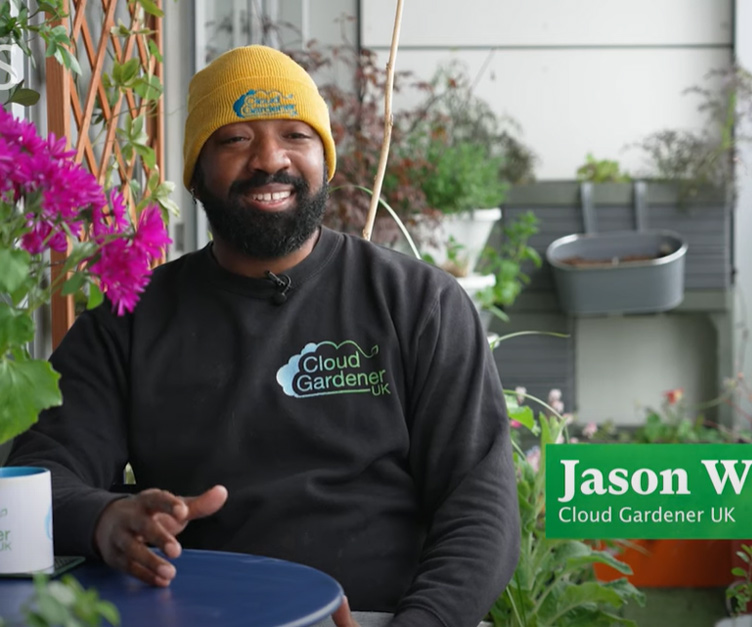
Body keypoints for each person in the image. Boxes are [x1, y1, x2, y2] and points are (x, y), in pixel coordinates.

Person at [8, 45, 520, 627]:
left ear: (325, 161)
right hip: (196, 617)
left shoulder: (417, 303)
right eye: (234, 140)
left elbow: (481, 505)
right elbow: (42, 473)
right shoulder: (130, 322)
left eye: (296, 135)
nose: (269, 159)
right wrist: (105, 519)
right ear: (196, 176)